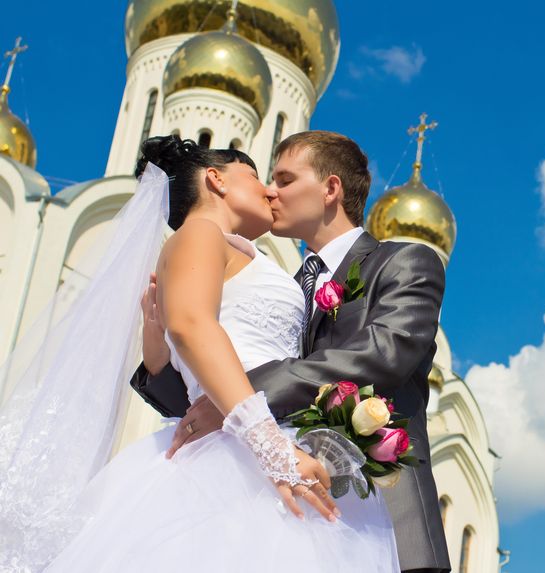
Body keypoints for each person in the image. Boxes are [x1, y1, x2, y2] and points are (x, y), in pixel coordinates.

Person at [4, 135, 400, 571]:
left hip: (257, 436)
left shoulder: (235, 251)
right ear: (216, 180)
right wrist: (272, 448)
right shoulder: (200, 232)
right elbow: (192, 325)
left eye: (280, 180)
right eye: (256, 176)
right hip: (241, 454)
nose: (269, 191)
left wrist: (159, 354)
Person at [133, 130, 452, 573]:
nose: (270, 190)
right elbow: (204, 406)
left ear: (330, 189)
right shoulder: (281, 284)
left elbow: (385, 352)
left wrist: (243, 398)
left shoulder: (402, 262)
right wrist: (160, 364)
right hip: (278, 499)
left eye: (284, 180)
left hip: (384, 517)